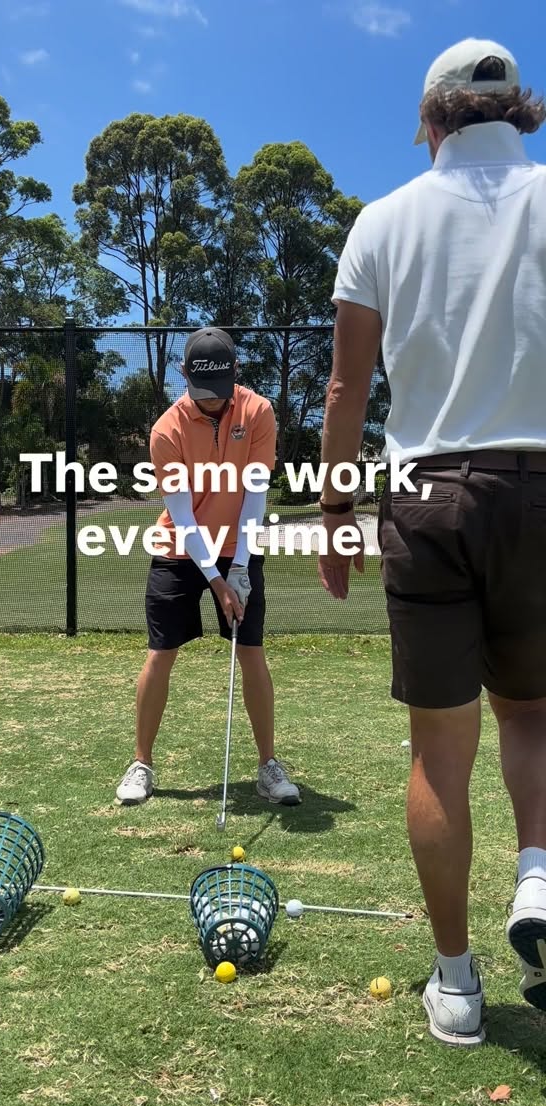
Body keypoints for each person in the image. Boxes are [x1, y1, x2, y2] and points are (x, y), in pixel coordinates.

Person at [317, 38, 546, 1047]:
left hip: (424, 497)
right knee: (532, 716)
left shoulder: (381, 220)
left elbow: (345, 391)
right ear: (517, 111)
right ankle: (538, 875)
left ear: (431, 119)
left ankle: (454, 983)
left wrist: (330, 513)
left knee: (437, 749)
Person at [116, 327, 301, 810]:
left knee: (252, 652)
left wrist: (238, 566)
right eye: (202, 395)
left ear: (235, 374)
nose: (212, 405)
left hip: (238, 543)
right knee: (161, 653)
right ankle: (141, 763)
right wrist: (217, 581)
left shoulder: (258, 411)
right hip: (180, 546)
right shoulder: (166, 430)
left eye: (219, 395)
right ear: (184, 376)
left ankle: (267, 767)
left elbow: (255, 495)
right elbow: (182, 516)